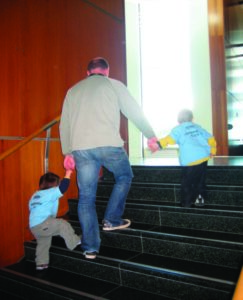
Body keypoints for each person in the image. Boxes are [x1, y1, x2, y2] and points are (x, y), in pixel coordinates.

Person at [59, 57, 157, 259]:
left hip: (81, 149)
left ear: (87, 73)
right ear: (107, 72)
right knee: (124, 176)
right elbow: (134, 112)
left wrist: (67, 152)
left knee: (86, 198)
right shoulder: (114, 85)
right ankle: (112, 219)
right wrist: (150, 135)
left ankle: (90, 248)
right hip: (109, 145)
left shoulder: (73, 90)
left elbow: (64, 124)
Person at [151, 109, 217, 208]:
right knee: (200, 181)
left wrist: (158, 145)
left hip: (190, 160)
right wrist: (212, 151)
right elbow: (210, 138)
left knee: (187, 182)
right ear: (192, 119)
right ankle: (200, 201)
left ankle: (186, 203)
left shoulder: (178, 129)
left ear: (178, 120)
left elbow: (169, 139)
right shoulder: (197, 127)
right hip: (203, 158)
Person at [29, 158, 81, 270]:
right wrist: (68, 173)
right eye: (57, 184)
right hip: (43, 223)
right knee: (62, 224)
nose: (57, 187)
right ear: (53, 185)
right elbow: (63, 188)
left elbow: (32, 208)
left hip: (34, 226)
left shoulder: (35, 195)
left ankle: (41, 263)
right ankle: (74, 241)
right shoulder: (51, 192)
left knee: (43, 242)